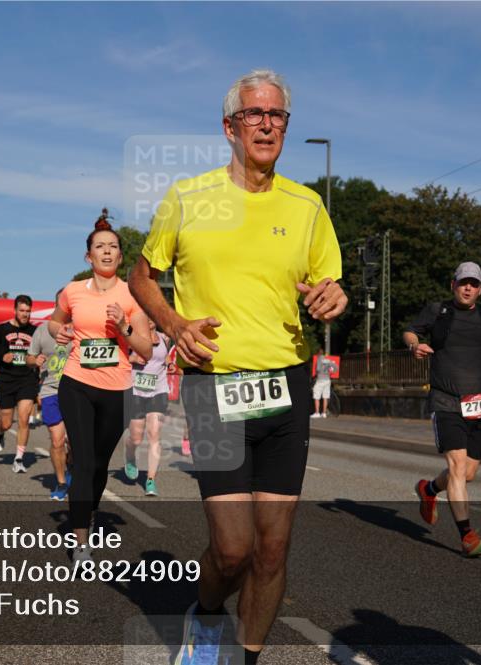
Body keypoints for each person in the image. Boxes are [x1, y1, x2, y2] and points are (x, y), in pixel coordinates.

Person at [128, 69, 347, 664]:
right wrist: (174, 326)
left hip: (287, 386)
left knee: (272, 550)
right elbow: (141, 277)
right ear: (229, 126)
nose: (268, 124)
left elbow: (330, 285)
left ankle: (246, 658)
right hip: (214, 387)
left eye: (278, 115)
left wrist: (336, 298)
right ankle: (205, 617)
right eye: (255, 114)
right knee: (232, 549)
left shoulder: (307, 206)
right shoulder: (188, 198)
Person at [49, 215, 153, 561]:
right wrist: (58, 333)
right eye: (100, 247)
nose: (106, 252)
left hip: (117, 390)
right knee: (84, 460)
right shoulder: (73, 290)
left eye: (113, 247)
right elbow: (55, 321)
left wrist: (124, 326)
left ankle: (86, 513)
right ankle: (80, 542)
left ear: (120, 257)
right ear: (88, 256)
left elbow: (146, 348)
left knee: (99, 465)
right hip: (77, 382)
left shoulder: (132, 294)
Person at [405, 261, 481, 558]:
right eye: (463, 282)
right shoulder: (439, 312)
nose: (468, 288)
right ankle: (468, 536)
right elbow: (410, 332)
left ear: (480, 289)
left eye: (474, 284)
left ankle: (428, 490)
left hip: (477, 405)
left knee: (468, 473)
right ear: (453, 285)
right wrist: (414, 346)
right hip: (445, 401)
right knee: (458, 468)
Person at [0, 295, 40, 473]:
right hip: (6, 379)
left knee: (24, 419)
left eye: (28, 311)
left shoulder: (34, 331)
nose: (25, 314)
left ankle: (18, 459)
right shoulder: (2, 329)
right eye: (22, 311)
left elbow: (42, 350)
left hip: (27, 379)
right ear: (15, 310)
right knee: (7, 423)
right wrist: (1, 357)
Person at [27, 297, 72, 501]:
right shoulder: (42, 330)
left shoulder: (81, 328)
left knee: (74, 443)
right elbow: (30, 357)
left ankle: (70, 465)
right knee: (57, 440)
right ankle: (61, 482)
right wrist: (34, 360)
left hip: (77, 391)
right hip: (50, 390)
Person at [124, 321, 172, 496]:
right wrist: (133, 358)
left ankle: (150, 480)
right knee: (136, 438)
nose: (149, 319)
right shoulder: (131, 336)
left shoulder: (164, 338)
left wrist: (169, 362)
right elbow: (119, 356)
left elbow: (165, 357)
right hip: (136, 391)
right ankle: (130, 457)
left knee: (154, 435)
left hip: (158, 391)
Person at [310, 348, 338, 419]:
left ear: (318, 354)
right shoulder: (328, 360)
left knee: (316, 396)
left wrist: (316, 374)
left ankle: (317, 413)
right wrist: (330, 371)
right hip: (327, 380)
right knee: (325, 397)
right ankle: (324, 413)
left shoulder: (319, 359)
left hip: (320, 380)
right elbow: (336, 368)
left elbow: (318, 369)